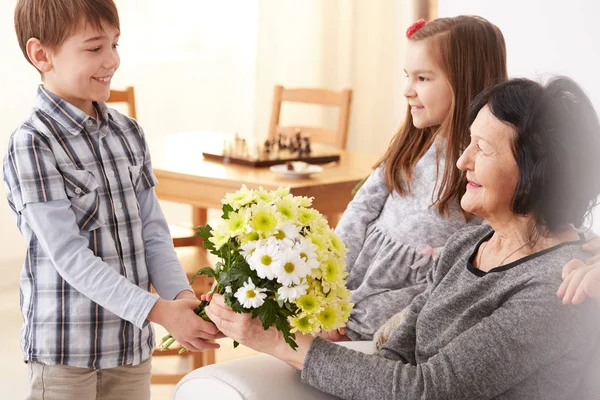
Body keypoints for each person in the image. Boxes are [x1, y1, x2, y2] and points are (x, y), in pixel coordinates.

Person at [206, 76, 600, 399]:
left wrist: (278, 342)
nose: (462, 162)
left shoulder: (559, 285)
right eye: (467, 144)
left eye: (481, 148)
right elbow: (394, 355)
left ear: (537, 170)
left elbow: (429, 391)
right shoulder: (467, 246)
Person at [4, 1, 221, 398]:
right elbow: (69, 256)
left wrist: (182, 299)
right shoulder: (32, 144)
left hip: (130, 347)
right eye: (94, 48)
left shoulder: (128, 132)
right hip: (65, 354)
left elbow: (153, 232)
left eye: (115, 44)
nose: (113, 60)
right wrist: (159, 312)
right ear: (41, 54)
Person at [330, 15, 508, 341]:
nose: (407, 91)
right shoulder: (413, 142)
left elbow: (442, 282)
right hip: (351, 285)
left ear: (466, 79)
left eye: (423, 78)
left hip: (394, 309)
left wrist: (353, 322)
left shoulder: (486, 165)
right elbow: (360, 211)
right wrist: (330, 291)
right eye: (407, 77)